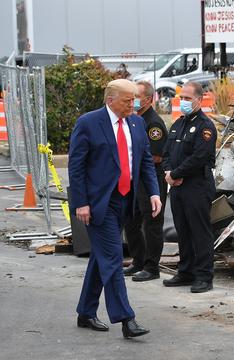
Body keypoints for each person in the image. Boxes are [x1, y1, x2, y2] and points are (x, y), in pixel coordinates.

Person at [68, 79, 162, 338]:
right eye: (127, 100)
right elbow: (76, 167)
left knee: (101, 258)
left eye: (134, 99)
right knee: (112, 258)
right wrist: (81, 203)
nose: (132, 104)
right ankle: (126, 319)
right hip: (100, 203)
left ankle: (86, 312)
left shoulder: (137, 122)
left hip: (126, 200)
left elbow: (143, 160)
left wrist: (153, 191)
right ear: (110, 100)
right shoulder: (88, 123)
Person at [162, 81, 216, 293]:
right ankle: (186, 272)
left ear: (199, 100)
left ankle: (204, 276)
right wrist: (169, 173)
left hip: (197, 186)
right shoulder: (178, 124)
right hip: (177, 187)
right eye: (181, 98)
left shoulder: (205, 127)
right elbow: (166, 153)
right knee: (183, 231)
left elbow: (199, 157)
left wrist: (176, 174)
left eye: (187, 98)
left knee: (200, 233)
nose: (183, 102)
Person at [123, 81, 168, 282]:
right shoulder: (133, 119)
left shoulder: (153, 124)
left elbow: (157, 156)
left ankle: (152, 267)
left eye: (137, 96)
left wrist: (133, 158)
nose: (133, 101)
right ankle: (138, 260)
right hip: (135, 180)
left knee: (151, 225)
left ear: (148, 99)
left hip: (151, 180)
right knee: (131, 222)